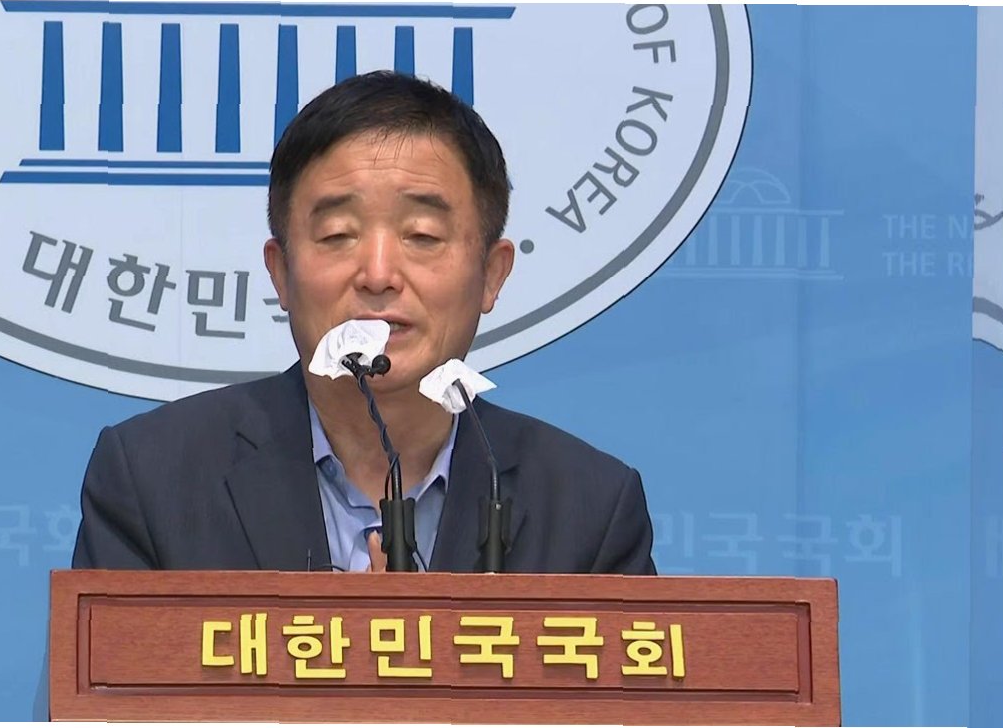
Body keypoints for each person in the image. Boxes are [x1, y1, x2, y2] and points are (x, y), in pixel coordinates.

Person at [71, 71, 655, 574]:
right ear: (281, 273)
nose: (378, 275)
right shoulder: (154, 477)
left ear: (492, 275)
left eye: (422, 236)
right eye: (337, 235)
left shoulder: (589, 508)